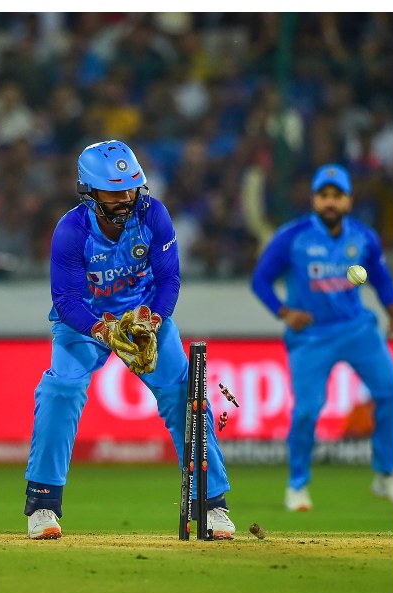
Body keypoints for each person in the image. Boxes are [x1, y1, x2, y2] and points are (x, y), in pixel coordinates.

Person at [24, 140, 235, 540]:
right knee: (60, 389)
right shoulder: (71, 230)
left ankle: (211, 505)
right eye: (113, 192)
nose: (124, 199)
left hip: (143, 318)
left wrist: (151, 321)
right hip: (87, 324)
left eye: (130, 189)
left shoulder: (153, 215)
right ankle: (43, 505)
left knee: (184, 393)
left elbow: (169, 279)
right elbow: (66, 301)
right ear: (89, 191)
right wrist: (103, 330)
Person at [251, 164, 393, 510]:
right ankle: (297, 485)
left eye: (337, 195)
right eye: (324, 195)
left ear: (348, 201)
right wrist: (285, 313)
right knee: (307, 411)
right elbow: (260, 280)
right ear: (314, 200)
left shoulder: (363, 237)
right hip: (310, 337)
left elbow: (381, 279)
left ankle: (386, 473)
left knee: (391, 392)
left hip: (357, 329)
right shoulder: (293, 236)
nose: (330, 202)